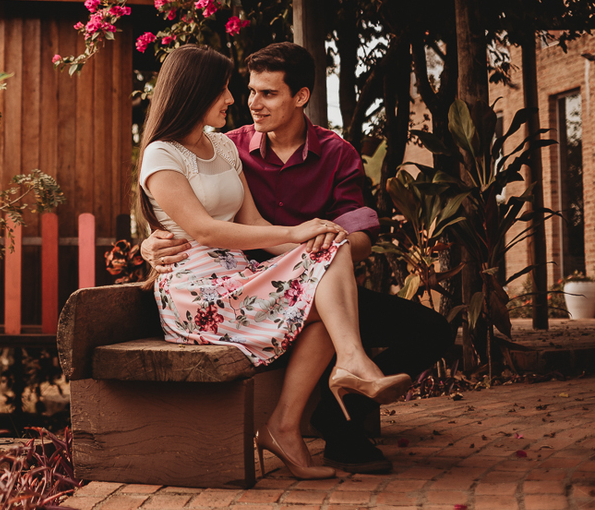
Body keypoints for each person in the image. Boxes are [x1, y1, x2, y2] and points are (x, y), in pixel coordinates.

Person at [141, 41, 454, 474]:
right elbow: (199, 228)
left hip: (261, 278)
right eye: (236, 90)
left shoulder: (243, 150)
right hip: (205, 292)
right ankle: (350, 371)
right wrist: (148, 244)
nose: (243, 102)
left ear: (300, 96)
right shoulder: (176, 151)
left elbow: (266, 224)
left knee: (337, 249)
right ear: (194, 92)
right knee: (326, 269)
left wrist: (321, 240)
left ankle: (291, 421)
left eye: (265, 94)